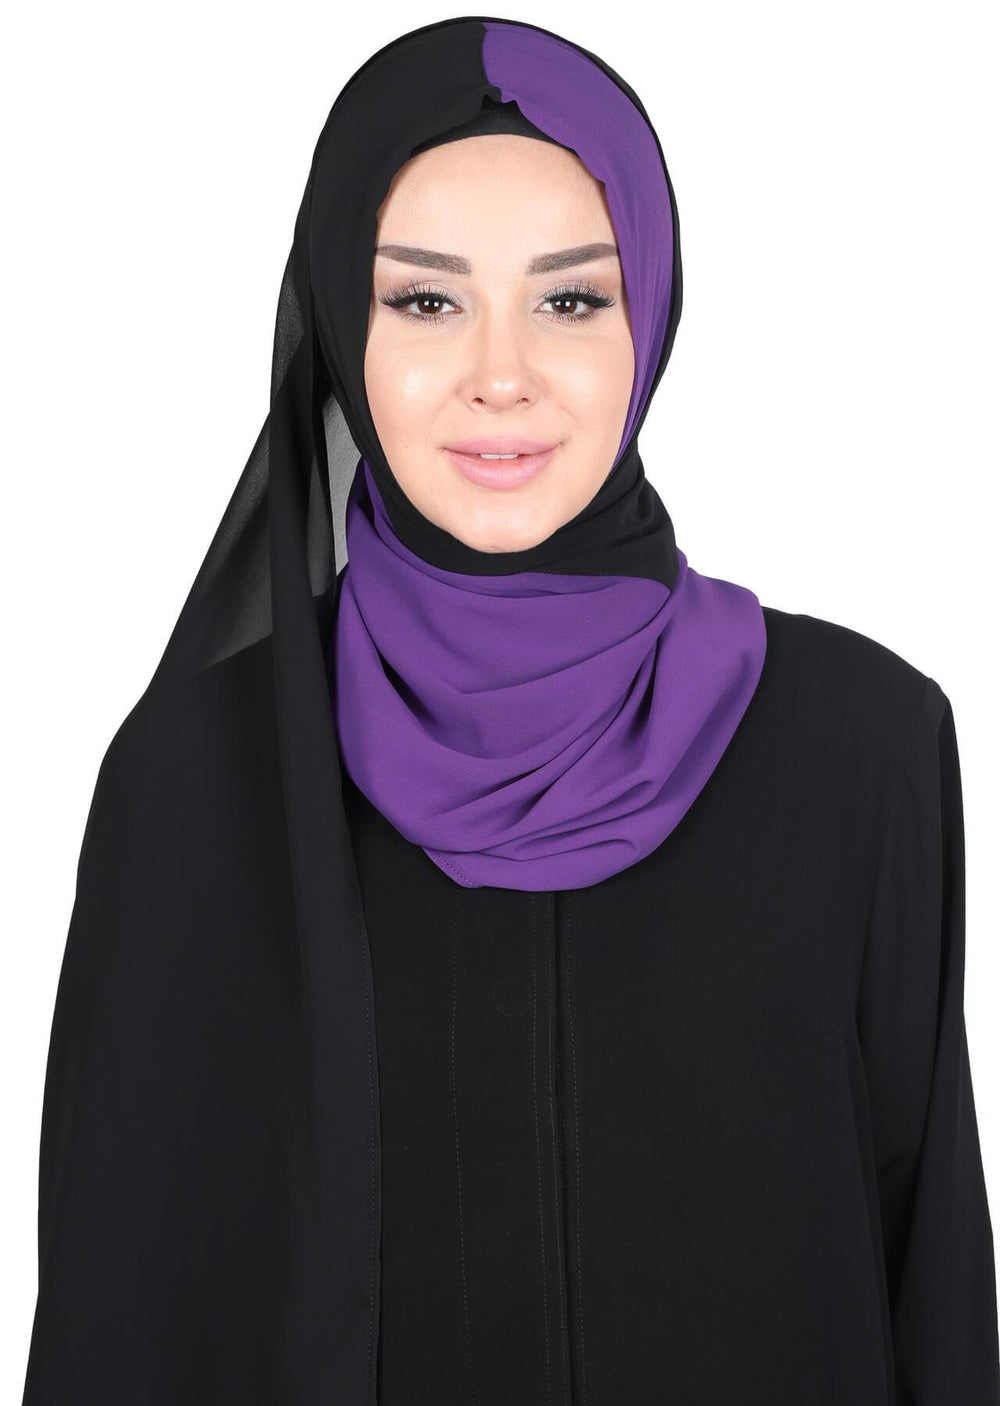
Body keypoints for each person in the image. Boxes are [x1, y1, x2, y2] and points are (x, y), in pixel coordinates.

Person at [20, 15, 1000, 1404]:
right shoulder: (195, 782)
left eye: (571, 299)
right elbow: (117, 1323)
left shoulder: (863, 748)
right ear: (342, 324)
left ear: (650, 317)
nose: (500, 372)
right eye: (427, 302)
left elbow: (935, 1299)